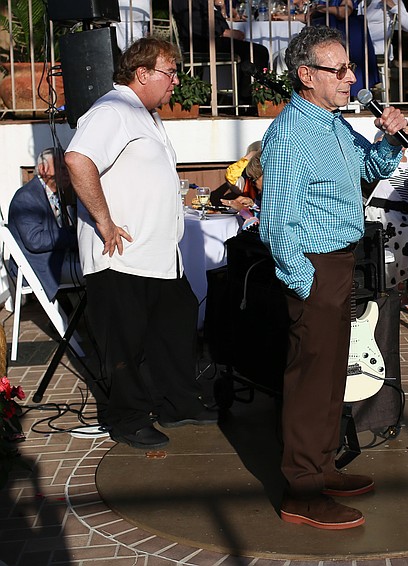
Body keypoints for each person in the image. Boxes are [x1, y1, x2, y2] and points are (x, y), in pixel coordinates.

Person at [259, 25, 408, 530]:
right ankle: (301, 489)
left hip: (340, 262)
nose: (351, 78)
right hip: (316, 267)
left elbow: (366, 173)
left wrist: (390, 140)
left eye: (350, 69)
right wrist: (305, 282)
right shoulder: (289, 134)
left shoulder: (334, 126)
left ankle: (321, 468)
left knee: (329, 379)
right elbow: (277, 221)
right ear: (306, 75)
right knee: (310, 381)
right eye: (339, 70)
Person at [64, 37, 217, 450]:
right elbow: (78, 160)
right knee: (125, 344)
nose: (175, 81)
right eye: (169, 72)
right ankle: (128, 419)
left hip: (160, 258)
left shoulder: (146, 116)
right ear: (142, 73)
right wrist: (104, 221)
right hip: (121, 257)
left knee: (175, 329)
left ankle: (177, 403)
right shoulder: (113, 110)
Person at [7, 148, 81, 302]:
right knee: (94, 273)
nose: (67, 172)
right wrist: (75, 237)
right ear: (42, 169)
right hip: (41, 267)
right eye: (62, 167)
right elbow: (35, 240)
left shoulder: (53, 194)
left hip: (57, 260)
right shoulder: (26, 197)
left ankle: (68, 321)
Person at [364, 133, 408, 310]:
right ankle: (384, 291)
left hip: (406, 216)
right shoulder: (380, 164)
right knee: (385, 254)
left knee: (407, 255)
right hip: (383, 215)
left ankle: (403, 293)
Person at [171, 0, 271, 105]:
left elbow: (212, 18)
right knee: (258, 52)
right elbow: (191, 20)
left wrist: (222, 8)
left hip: (211, 39)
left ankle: (246, 97)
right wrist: (223, 32)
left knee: (256, 51)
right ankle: (247, 99)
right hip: (200, 42)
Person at [311, 0, 379, 96]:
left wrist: (322, 9)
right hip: (326, 31)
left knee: (346, 65)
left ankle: (351, 94)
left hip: (346, 31)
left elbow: (344, 12)